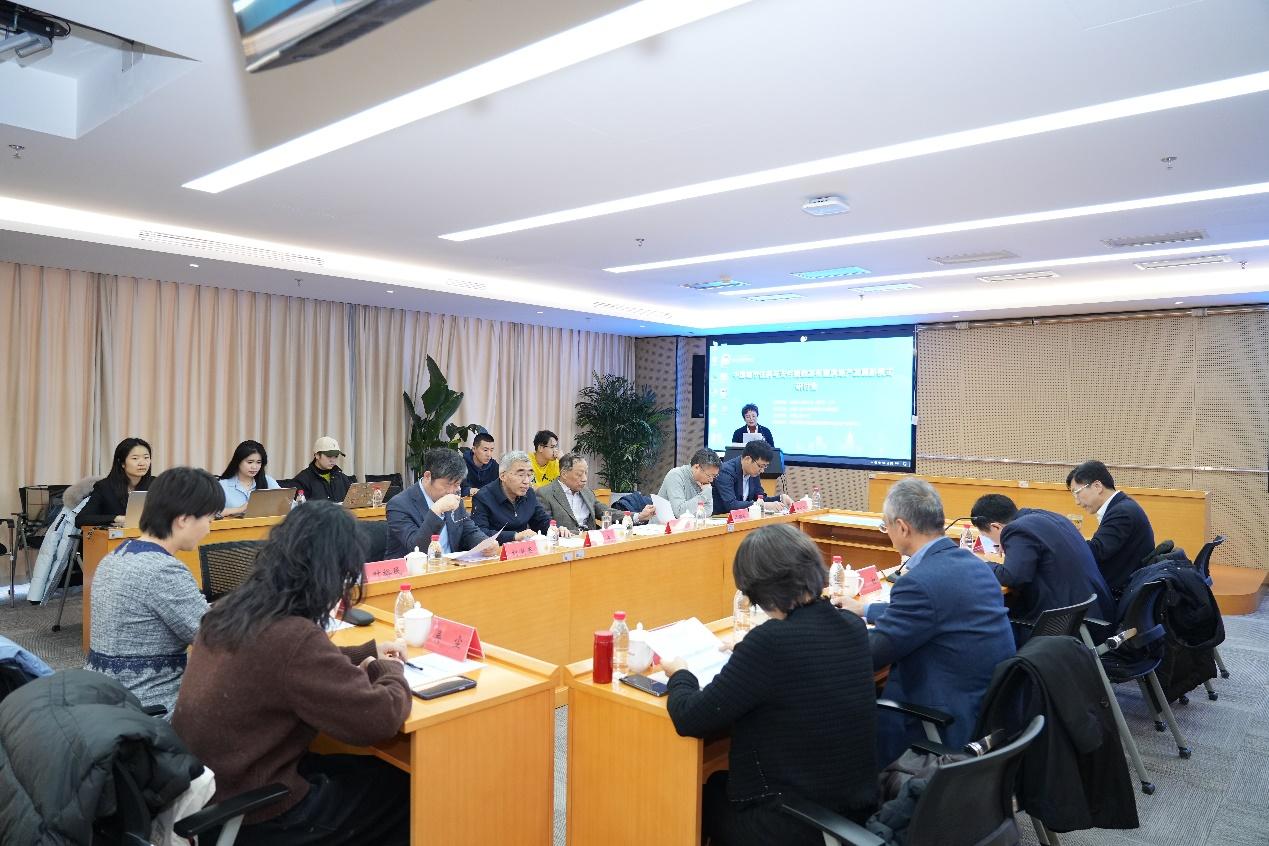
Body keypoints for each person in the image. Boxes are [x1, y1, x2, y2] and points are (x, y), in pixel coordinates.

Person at [172, 501, 412, 845]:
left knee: (367, 772)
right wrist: (389, 669)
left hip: (211, 790)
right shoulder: (292, 637)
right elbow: (380, 718)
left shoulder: (231, 609)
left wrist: (364, 653)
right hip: (257, 811)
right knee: (406, 790)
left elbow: (286, 666)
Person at [665, 525, 877, 844]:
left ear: (758, 589)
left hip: (792, 821)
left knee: (697, 797)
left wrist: (680, 674)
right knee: (719, 781)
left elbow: (690, 717)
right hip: (852, 810)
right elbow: (803, 663)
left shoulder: (770, 642)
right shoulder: (851, 625)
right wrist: (748, 652)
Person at [836, 477, 1014, 764]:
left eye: (885, 526)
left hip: (938, 719)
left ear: (902, 527)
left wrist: (834, 628)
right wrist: (865, 609)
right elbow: (936, 612)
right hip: (983, 708)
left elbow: (872, 654)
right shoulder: (975, 565)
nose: (887, 532)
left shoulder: (919, 582)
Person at [85, 467, 221, 714]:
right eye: (209, 520)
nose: (208, 530)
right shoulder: (163, 570)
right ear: (184, 519)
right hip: (152, 707)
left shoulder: (116, 556)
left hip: (105, 699)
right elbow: (215, 638)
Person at [970, 494, 1116, 641]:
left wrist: (980, 563)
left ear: (996, 526)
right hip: (1092, 612)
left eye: (989, 537)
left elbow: (1012, 576)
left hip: (1063, 624)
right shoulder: (1048, 517)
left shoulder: (1016, 529)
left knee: (988, 618)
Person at [385, 448, 499, 559]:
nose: (452, 491)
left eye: (457, 484)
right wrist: (437, 510)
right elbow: (417, 549)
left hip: (449, 566)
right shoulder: (399, 505)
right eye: (448, 484)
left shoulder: (455, 497)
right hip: (411, 569)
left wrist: (485, 542)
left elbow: (469, 530)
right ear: (428, 476)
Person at [1066, 460, 1156, 599]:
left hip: (1118, 594)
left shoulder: (1122, 512)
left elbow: (1095, 553)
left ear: (1097, 486)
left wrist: (1067, 536)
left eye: (1077, 493)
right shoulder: (1121, 506)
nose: (1077, 502)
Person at [472, 451, 571, 543]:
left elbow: (541, 520)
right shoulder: (483, 497)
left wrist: (555, 529)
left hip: (523, 550)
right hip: (495, 551)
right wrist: (514, 536)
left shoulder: (529, 493)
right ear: (503, 476)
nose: (526, 481)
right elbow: (479, 533)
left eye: (529, 475)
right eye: (521, 475)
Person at [538, 453, 654, 532]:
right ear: (564, 474)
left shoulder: (586, 491)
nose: (584, 479)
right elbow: (545, 526)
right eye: (579, 474)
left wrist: (638, 516)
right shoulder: (545, 494)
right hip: (564, 546)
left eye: (586, 473)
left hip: (592, 542)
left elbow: (606, 512)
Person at [76, 437, 154, 528]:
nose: (142, 463)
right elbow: (81, 520)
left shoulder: (157, 484)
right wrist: (117, 518)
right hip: (117, 536)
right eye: (135, 458)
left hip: (149, 535)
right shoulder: (104, 487)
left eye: (146, 457)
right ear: (122, 463)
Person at [712, 440, 791, 515]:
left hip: (742, 519)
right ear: (748, 459)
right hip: (720, 519)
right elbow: (731, 505)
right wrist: (763, 505)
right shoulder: (726, 471)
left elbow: (760, 499)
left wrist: (780, 498)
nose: (762, 470)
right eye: (760, 466)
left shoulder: (753, 473)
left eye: (765, 466)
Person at [217, 439, 282, 517]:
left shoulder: (268, 481)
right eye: (250, 462)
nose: (254, 467)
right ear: (238, 461)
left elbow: (289, 506)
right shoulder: (223, 485)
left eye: (258, 462)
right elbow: (209, 513)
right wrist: (239, 510)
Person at [658, 448, 723, 517]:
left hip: (690, 523)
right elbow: (680, 513)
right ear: (697, 467)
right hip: (663, 523)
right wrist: (703, 496)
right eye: (709, 475)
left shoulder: (704, 483)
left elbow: (708, 511)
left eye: (714, 476)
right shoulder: (675, 475)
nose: (711, 480)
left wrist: (693, 513)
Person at [292, 436, 357, 503]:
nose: (333, 460)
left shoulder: (342, 477)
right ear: (317, 455)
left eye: (336, 456)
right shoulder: (302, 480)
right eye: (329, 456)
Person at [461, 431, 499, 496]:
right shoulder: (461, 465)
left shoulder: (494, 466)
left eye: (491, 450)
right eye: (485, 450)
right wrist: (469, 490)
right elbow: (457, 490)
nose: (489, 454)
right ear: (474, 449)